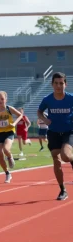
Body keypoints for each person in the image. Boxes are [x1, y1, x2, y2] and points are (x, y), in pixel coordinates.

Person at [38, 72, 73, 201]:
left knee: (66, 156)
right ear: (52, 84)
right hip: (53, 132)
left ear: (65, 84)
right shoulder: (47, 99)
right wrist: (44, 119)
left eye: (61, 83)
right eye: (56, 83)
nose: (59, 86)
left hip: (69, 132)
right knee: (56, 160)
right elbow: (39, 111)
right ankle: (63, 190)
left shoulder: (71, 98)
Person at [0, 91, 22, 183]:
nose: (0, 101)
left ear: (6, 100)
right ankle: (7, 173)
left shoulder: (9, 109)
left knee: (6, 149)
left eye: (2, 99)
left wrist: (14, 123)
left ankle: (10, 157)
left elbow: (20, 115)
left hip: (9, 132)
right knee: (0, 154)